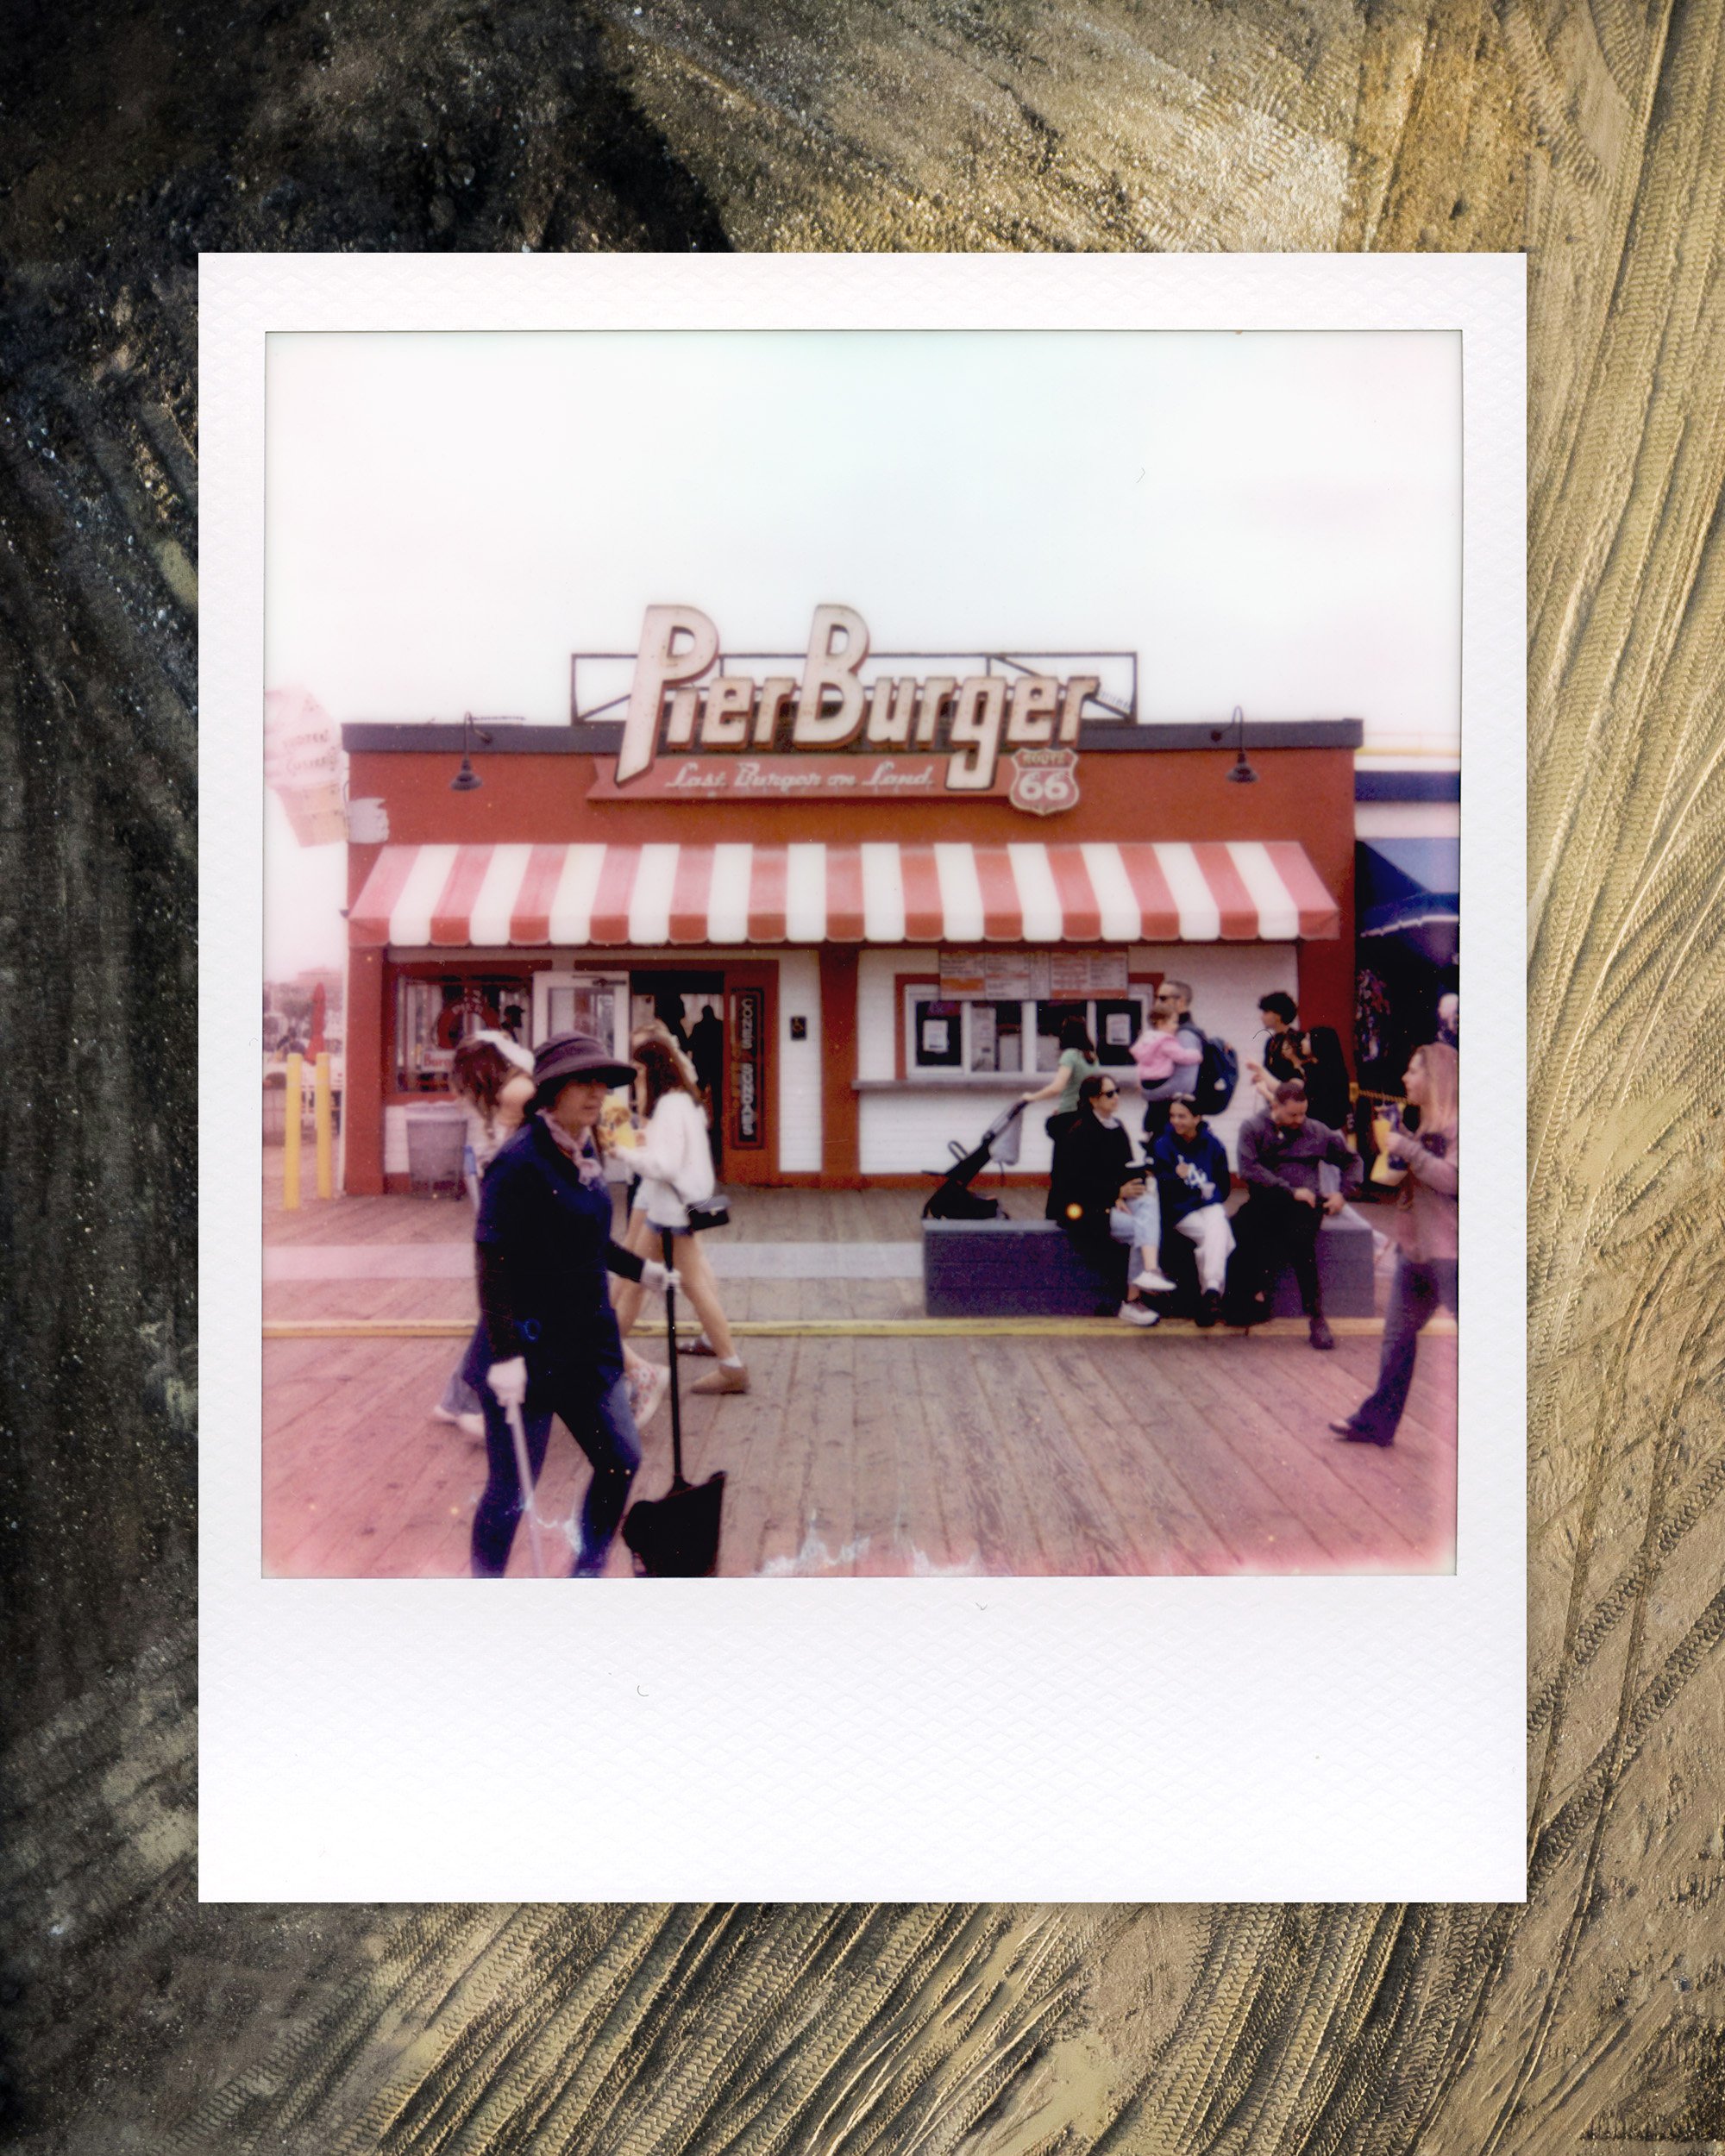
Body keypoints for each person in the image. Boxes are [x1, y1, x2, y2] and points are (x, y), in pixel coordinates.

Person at [463, 1031, 677, 1579]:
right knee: (513, 1489)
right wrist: (506, 1355)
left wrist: (642, 1270)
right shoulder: (519, 1162)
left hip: (585, 1346)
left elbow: (586, 1239)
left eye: (602, 1083)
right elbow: (493, 1261)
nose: (596, 1093)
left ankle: (587, 1569)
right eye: (583, 1082)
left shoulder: (585, 1149)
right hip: (526, 1351)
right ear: (552, 1091)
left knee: (620, 1459)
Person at [1331, 1042, 1458, 1447]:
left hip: (1456, 1257)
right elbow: (1413, 1184)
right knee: (1397, 1338)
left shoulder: (1463, 1127)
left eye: (1413, 1071)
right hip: (1417, 1251)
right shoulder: (1426, 1126)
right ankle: (1375, 1424)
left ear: (1434, 1077)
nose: (1405, 1079)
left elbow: (1453, 1180)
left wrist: (1406, 1149)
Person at [613, 1035, 749, 1395]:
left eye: (637, 1073)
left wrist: (624, 1153)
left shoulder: (670, 1106)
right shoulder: (683, 1102)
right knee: (635, 1282)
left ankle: (732, 1366)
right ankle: (606, 1360)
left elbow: (665, 1165)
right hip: (671, 1212)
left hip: (672, 1215)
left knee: (674, 1287)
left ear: (646, 1069)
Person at [431, 1032, 536, 1438]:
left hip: (505, 1196)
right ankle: (468, 1398)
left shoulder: (512, 1091)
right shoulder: (520, 1088)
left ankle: (459, 1397)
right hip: (514, 1202)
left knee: (503, 1304)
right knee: (506, 1305)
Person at [1226, 1078, 1363, 1349]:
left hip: (1305, 1205)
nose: (1300, 1120)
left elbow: (1352, 1160)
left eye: (1303, 1113)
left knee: (1300, 1245)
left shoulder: (1316, 1130)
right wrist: (1289, 1190)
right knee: (1241, 1229)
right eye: (1293, 1114)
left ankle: (1317, 1318)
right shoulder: (1253, 1128)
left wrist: (1343, 1193)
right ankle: (1239, 1302)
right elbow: (1248, 1169)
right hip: (1267, 1199)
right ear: (1275, 1105)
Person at [1047, 1074, 1160, 1325]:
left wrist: (1130, 1185)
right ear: (1093, 1099)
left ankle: (1149, 1274)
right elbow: (1073, 1183)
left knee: (1149, 1202)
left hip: (1108, 1202)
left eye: (1117, 1091)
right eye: (1110, 1093)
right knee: (1140, 1229)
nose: (1116, 1097)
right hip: (1084, 1210)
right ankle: (1132, 1301)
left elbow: (1124, 1168)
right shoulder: (1079, 1133)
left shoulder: (1116, 1127)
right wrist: (1114, 1194)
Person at [1151, 1095, 1235, 1327]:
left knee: (1216, 1225)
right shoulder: (1163, 1145)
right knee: (1221, 1238)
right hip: (1179, 1211)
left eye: (1182, 1116)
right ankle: (1212, 1292)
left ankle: (1208, 1296)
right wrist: (1177, 1178)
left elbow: (1224, 1186)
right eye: (1173, 1116)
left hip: (1207, 1205)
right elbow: (1162, 1187)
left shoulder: (1213, 1144)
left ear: (1197, 1118)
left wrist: (1209, 1195)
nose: (1176, 1121)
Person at [1135, 979, 1204, 1145]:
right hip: (1165, 1119)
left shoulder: (1185, 1035)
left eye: (1163, 998)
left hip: (1175, 1123)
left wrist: (1147, 1093)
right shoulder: (1168, 1033)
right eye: (1157, 997)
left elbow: (1184, 1084)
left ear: (1180, 1001)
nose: (1158, 1002)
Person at [1019, 1013, 1101, 1143]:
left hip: (1071, 1114)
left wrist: (1032, 1097)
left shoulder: (1069, 1056)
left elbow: (1057, 1088)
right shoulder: (1092, 1057)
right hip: (1090, 1114)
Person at [1257, 991, 1302, 1085]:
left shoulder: (1297, 1038)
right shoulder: (1270, 1042)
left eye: (1266, 1012)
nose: (1262, 1017)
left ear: (1277, 1015)